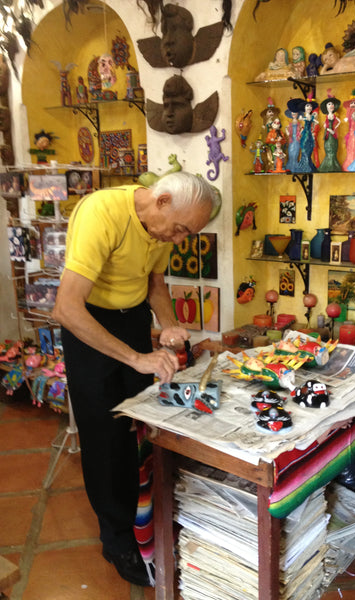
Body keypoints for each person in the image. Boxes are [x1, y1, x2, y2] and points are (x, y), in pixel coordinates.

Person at [52, 172, 217, 587]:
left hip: (131, 321)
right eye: (180, 229)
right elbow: (66, 309)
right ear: (161, 200)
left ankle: (148, 518)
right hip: (88, 324)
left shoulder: (158, 230)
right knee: (105, 438)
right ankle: (118, 538)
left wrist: (168, 326)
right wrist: (136, 358)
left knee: (142, 428)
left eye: (188, 234)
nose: (179, 239)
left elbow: (154, 283)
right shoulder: (101, 213)